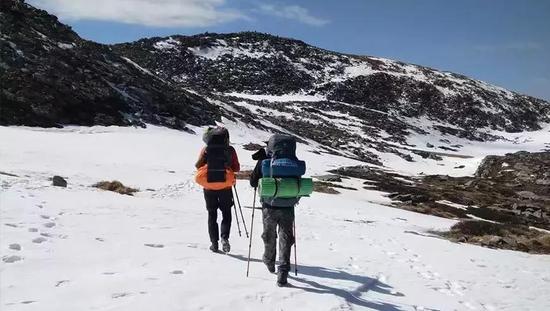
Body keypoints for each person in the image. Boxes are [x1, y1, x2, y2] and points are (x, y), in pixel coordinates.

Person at [249, 135, 299, 287]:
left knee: (268, 235)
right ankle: (283, 271)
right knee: (286, 237)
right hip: (288, 206)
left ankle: (269, 260)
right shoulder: (293, 162)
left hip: (269, 206)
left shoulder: (265, 162)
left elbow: (252, 182)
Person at [195, 127, 240, 253]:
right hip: (225, 186)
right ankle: (224, 238)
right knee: (226, 213)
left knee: (212, 214)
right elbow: (236, 168)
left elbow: (198, 165)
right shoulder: (230, 150)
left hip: (209, 186)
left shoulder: (206, 150)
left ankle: (214, 243)